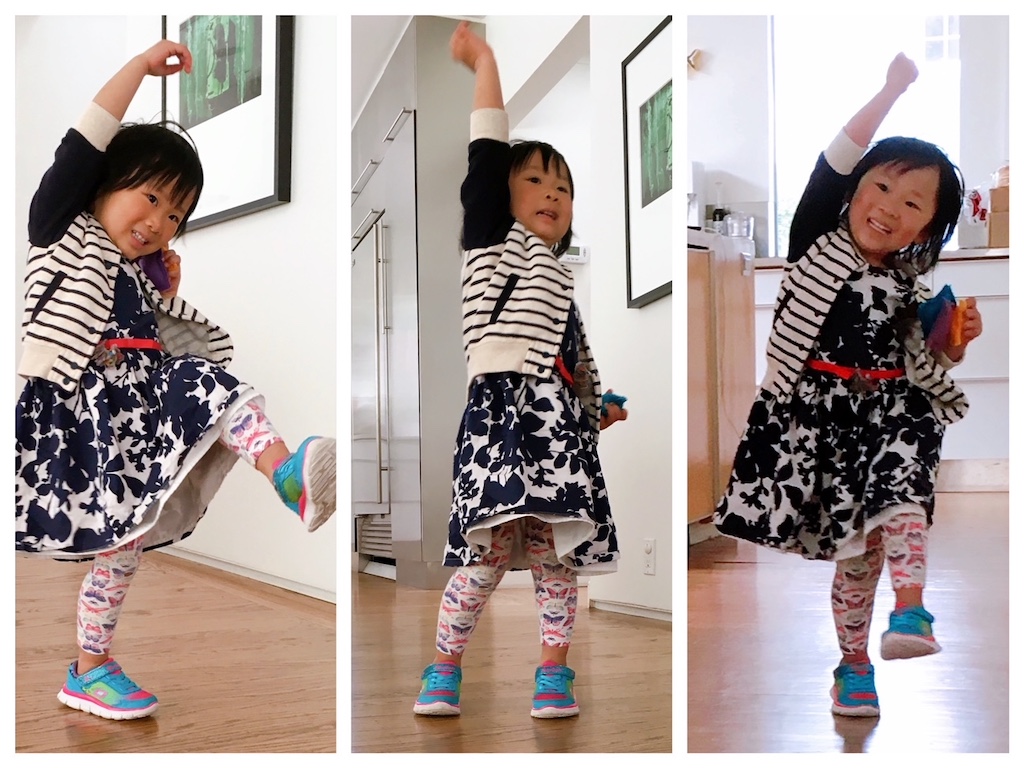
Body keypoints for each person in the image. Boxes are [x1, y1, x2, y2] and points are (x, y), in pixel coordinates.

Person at [14, 40, 337, 721]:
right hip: (80, 413)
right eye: (151, 196)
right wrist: (136, 71)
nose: (160, 221)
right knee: (117, 543)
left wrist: (161, 291)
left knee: (209, 385)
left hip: (137, 405)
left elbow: (160, 344)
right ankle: (92, 666)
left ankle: (288, 475)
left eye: (176, 215)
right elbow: (83, 142)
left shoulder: (140, 273)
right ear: (99, 184)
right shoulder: (60, 230)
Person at [714, 53, 983, 718]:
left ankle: (913, 612)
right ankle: (854, 665)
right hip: (821, 425)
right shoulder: (815, 243)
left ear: (926, 228)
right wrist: (891, 89)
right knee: (856, 559)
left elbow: (929, 364)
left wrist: (956, 338)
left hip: (891, 414)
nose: (890, 208)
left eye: (913, 203)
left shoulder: (909, 288)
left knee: (905, 502)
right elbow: (835, 157)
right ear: (855, 187)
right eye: (881, 187)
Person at [412, 21, 628, 720]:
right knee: (485, 558)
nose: (551, 192)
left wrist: (600, 408)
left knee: (555, 561)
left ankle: (553, 674)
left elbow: (576, 363)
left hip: (557, 432)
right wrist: (485, 61)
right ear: (499, 199)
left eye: (562, 187)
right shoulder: (490, 245)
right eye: (533, 180)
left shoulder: (559, 278)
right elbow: (486, 149)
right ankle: (443, 669)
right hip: (500, 425)